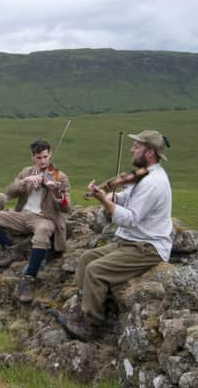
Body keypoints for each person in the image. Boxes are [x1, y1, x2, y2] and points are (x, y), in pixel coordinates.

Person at [50, 130, 172, 341]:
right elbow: (128, 198)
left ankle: (91, 326)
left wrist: (105, 202)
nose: (132, 149)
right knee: (86, 258)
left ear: (150, 152)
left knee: (96, 271)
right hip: (131, 241)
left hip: (147, 247)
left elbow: (130, 218)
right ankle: (80, 309)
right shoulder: (146, 175)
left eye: (137, 146)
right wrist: (109, 195)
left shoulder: (154, 182)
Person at [0, 139, 71, 303]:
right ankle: (13, 248)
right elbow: (9, 192)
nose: (43, 161)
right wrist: (24, 182)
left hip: (45, 218)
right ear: (32, 157)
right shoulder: (26, 172)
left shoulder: (59, 177)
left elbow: (66, 208)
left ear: (50, 155)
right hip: (22, 215)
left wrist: (56, 192)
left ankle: (29, 278)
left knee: (42, 232)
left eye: (45, 157)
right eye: (39, 158)